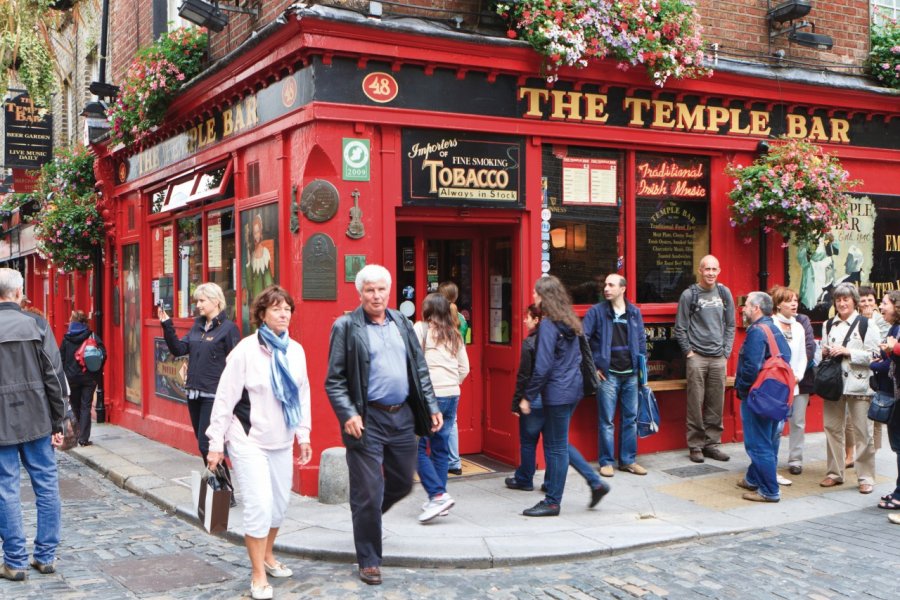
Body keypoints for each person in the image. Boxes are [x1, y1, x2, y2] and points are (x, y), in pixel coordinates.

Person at [325, 264, 442, 585]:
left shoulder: (402, 322)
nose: (376, 296)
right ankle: (369, 559)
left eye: (381, 290)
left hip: (403, 415)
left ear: (389, 291)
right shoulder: (346, 327)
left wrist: (430, 405)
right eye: (369, 290)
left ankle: (369, 517)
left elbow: (419, 369)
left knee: (404, 482)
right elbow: (334, 379)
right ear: (360, 292)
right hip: (367, 418)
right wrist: (348, 413)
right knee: (367, 491)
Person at [206, 285, 312, 600]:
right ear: (262, 314)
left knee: (279, 505)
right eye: (276, 308)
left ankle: (268, 554)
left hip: (281, 437)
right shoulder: (246, 351)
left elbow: (302, 394)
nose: (283, 314)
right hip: (248, 438)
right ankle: (258, 575)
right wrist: (215, 443)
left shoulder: (296, 351)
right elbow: (225, 399)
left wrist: (303, 435)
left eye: (287, 309)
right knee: (259, 506)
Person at [505, 304, 610, 509]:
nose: (524, 321)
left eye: (528, 317)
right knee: (559, 444)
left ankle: (525, 479)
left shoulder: (532, 342)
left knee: (530, 440)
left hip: (539, 397)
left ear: (538, 319)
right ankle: (589, 481)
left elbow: (527, 375)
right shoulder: (568, 333)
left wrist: (520, 400)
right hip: (564, 394)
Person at [0, 268, 66, 580]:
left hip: (2, 424)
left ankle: (14, 562)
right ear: (17, 293)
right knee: (46, 486)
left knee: (6, 489)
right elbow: (54, 375)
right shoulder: (36, 324)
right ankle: (45, 556)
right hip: (38, 418)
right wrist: (59, 421)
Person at [520, 275, 584, 517]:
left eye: (536, 293)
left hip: (557, 392)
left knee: (556, 448)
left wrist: (528, 396)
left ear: (546, 297)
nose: (534, 297)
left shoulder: (548, 325)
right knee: (558, 445)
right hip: (572, 390)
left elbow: (543, 366)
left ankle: (552, 501)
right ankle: (553, 496)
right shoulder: (570, 321)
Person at [159, 282, 240, 465]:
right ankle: (221, 492)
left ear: (216, 301)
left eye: (202, 301)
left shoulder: (229, 329)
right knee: (204, 446)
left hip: (213, 394)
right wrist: (167, 325)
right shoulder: (197, 327)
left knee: (207, 445)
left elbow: (235, 365)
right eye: (198, 301)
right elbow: (179, 349)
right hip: (193, 394)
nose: (198, 305)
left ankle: (224, 492)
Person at [583, 274, 648, 477]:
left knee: (630, 419)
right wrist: (593, 367)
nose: (606, 288)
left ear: (623, 289)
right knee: (607, 420)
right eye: (605, 285)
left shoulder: (634, 313)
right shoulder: (596, 312)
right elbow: (582, 340)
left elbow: (641, 342)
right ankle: (606, 461)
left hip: (630, 375)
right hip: (608, 375)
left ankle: (628, 460)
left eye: (611, 285)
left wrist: (641, 371)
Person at [413, 293, 470, 522]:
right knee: (440, 447)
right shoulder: (455, 333)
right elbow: (464, 368)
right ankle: (440, 498)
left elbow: (413, 360)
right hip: (452, 395)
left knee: (416, 448)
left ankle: (438, 495)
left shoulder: (422, 328)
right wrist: (452, 382)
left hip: (431, 396)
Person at [819, 282, 880, 494]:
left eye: (846, 299)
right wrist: (825, 353)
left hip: (859, 384)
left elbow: (875, 356)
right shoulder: (828, 325)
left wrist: (847, 352)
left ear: (854, 301)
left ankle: (865, 477)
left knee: (863, 432)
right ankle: (834, 473)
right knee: (832, 428)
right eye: (838, 299)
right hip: (834, 384)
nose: (842, 303)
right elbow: (820, 353)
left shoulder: (865, 324)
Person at [674, 255, 736, 463]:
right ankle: (695, 446)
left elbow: (730, 325)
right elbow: (680, 327)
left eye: (714, 269)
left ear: (719, 271)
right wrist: (689, 353)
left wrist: (726, 351)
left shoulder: (724, 292)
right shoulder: (689, 294)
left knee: (716, 403)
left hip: (719, 357)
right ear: (700, 270)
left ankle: (712, 444)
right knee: (695, 403)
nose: (710, 273)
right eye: (706, 269)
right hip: (697, 357)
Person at [734, 292, 792, 503]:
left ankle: (769, 491)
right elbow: (787, 357)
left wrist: (742, 390)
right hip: (774, 397)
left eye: (747, 305)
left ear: (756, 308)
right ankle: (752, 479)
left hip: (757, 397)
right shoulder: (774, 328)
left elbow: (751, 367)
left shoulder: (757, 332)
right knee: (767, 440)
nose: (744, 309)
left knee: (758, 445)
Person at [769, 286, 815, 479]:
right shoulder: (771, 324)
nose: (794, 304)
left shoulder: (799, 325)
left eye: (795, 300)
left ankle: (795, 460)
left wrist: (797, 375)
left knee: (798, 422)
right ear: (779, 305)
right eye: (789, 300)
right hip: (777, 382)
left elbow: (806, 352)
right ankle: (770, 459)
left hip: (798, 380)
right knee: (776, 424)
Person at [59, 310, 107, 447]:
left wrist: (64, 374)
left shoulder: (66, 339)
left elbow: (60, 359)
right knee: (86, 405)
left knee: (75, 405)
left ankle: (79, 432)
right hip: (89, 377)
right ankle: (84, 438)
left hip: (71, 378)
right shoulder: (92, 335)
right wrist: (97, 369)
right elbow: (103, 354)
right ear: (85, 321)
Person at [437, 281, 468, 476]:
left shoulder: (437, 318)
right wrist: (457, 380)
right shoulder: (461, 321)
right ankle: (454, 461)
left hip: (438, 377)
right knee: (451, 421)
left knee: (430, 421)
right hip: (453, 375)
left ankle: (431, 461)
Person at [873, 291, 900, 510]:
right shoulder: (893, 328)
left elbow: (892, 359)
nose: (881, 307)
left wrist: (892, 349)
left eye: (884, 303)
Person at [859, 285, 890, 452]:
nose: (866, 304)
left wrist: (870, 321)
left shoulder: (882, 319)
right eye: (863, 300)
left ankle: (874, 448)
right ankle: (855, 450)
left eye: (870, 300)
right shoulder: (856, 319)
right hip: (860, 371)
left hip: (877, 370)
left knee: (876, 412)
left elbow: (883, 343)